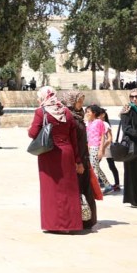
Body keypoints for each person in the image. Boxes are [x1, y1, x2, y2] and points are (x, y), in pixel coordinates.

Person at [28, 87, 83, 233]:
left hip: (49, 153)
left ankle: (54, 224)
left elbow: (33, 133)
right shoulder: (66, 112)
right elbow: (74, 139)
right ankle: (71, 224)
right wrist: (78, 160)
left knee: (51, 189)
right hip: (67, 152)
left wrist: (29, 129)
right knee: (68, 188)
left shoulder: (41, 112)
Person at [64, 91, 97, 228]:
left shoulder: (79, 115)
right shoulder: (68, 117)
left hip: (84, 157)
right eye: (79, 101)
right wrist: (77, 161)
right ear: (71, 101)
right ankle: (77, 220)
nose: (81, 104)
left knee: (85, 188)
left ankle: (87, 220)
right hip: (76, 159)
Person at [99, 108, 121, 194]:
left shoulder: (105, 124)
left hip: (107, 148)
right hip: (101, 147)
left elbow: (109, 138)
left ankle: (117, 184)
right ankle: (101, 180)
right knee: (95, 165)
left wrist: (103, 147)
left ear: (103, 115)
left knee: (111, 166)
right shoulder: (99, 123)